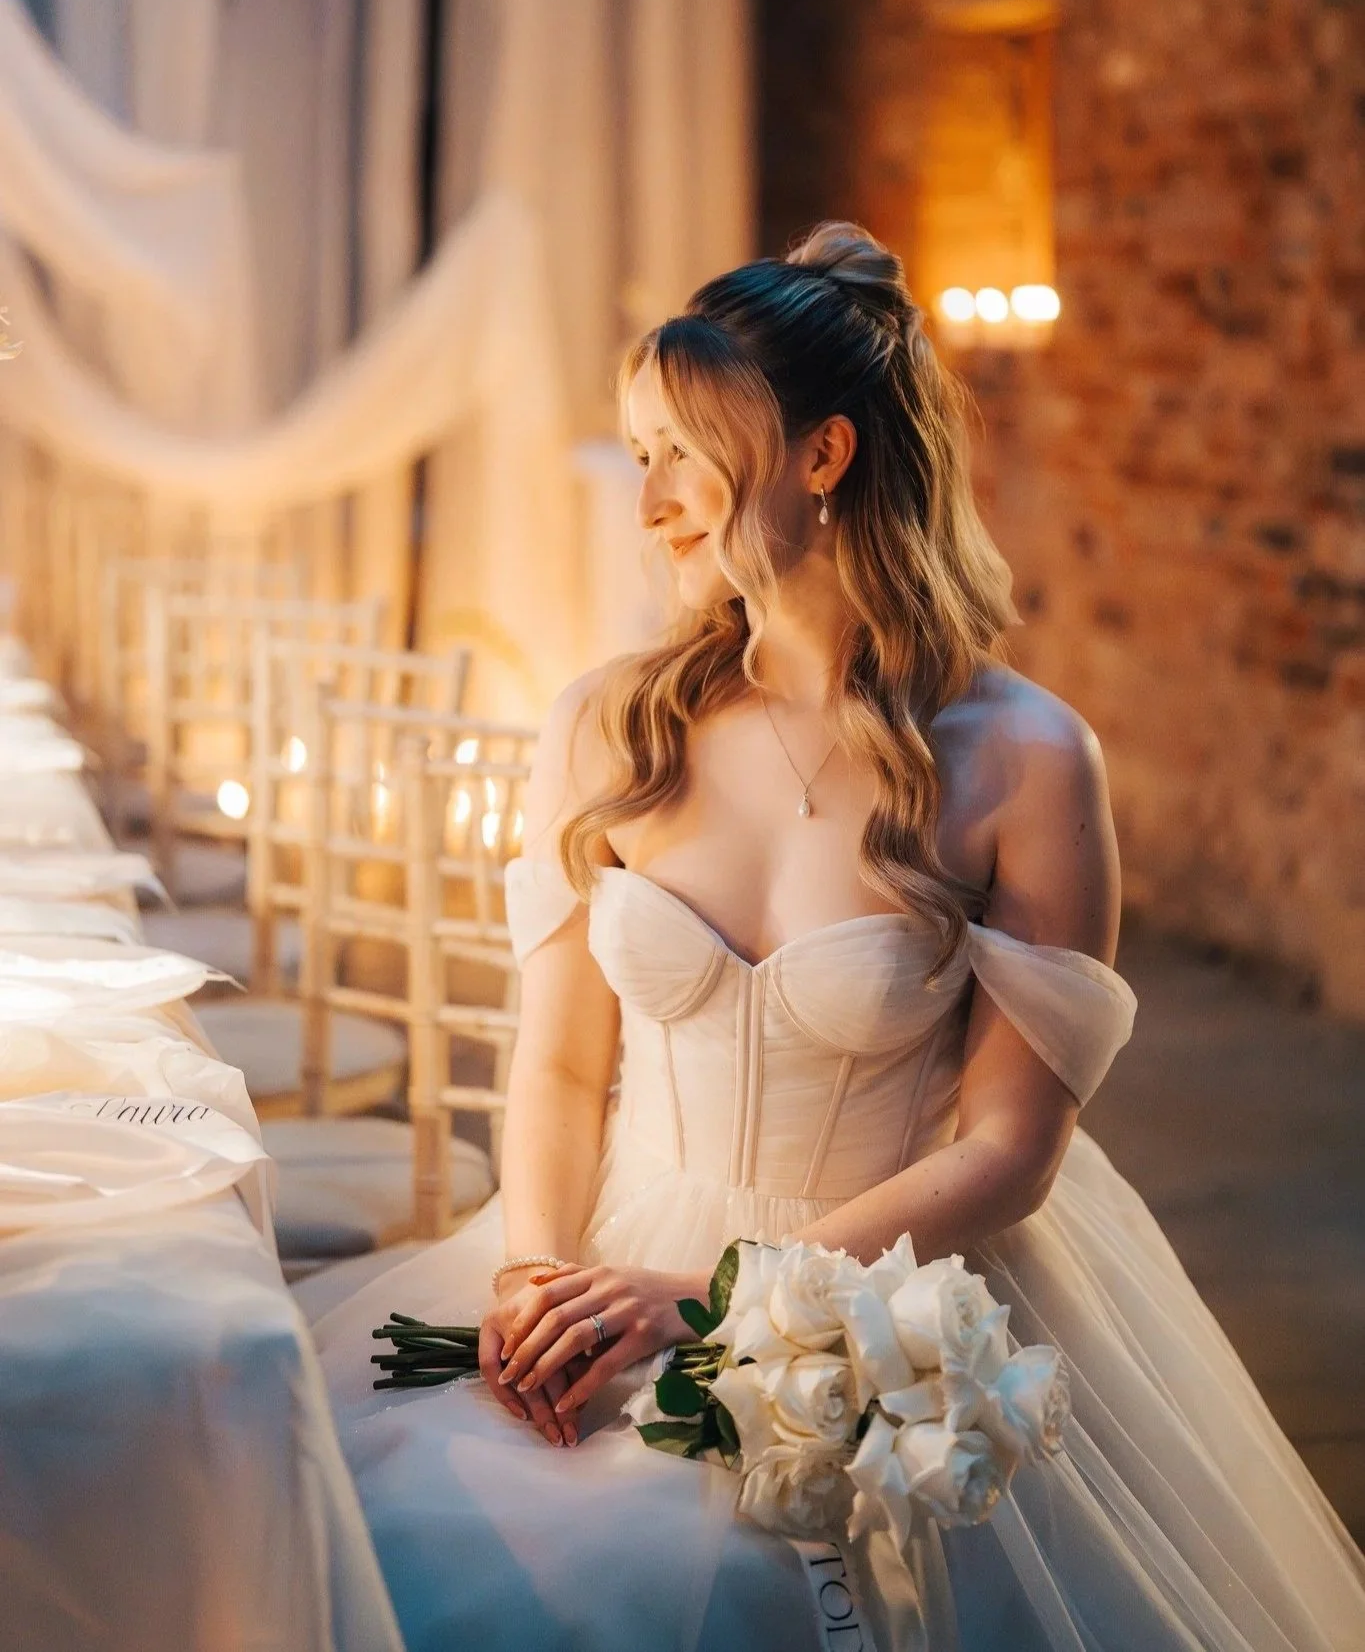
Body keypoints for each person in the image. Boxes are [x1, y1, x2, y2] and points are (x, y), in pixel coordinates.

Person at [308, 222, 1365, 1651]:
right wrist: (532, 1281)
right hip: (602, 1252)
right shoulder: (611, 727)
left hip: (878, 1296)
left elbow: (1006, 1150)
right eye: (641, 453)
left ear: (825, 454)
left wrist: (711, 1300)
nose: (652, 503)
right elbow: (559, 1068)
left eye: (686, 452)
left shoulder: (1029, 759)